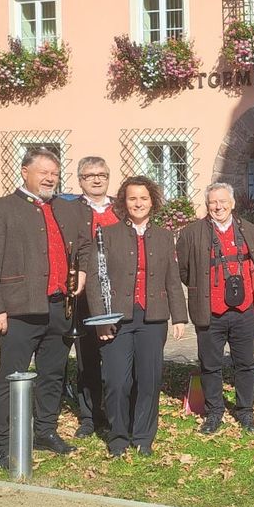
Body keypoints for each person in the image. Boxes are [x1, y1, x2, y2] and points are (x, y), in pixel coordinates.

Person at [0, 147, 90, 469]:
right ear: (25, 171)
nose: (50, 178)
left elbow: (85, 244)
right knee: (10, 377)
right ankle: (0, 442)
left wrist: (82, 270)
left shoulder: (65, 209)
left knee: (53, 374)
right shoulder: (1, 209)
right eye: (44, 172)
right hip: (18, 310)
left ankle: (44, 431)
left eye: (54, 173)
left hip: (59, 306)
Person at [87, 175, 187, 457]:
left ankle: (143, 437)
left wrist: (179, 316)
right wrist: (100, 319)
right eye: (132, 198)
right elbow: (95, 280)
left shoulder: (166, 237)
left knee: (149, 379)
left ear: (152, 201)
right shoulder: (107, 234)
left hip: (153, 319)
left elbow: (172, 279)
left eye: (144, 198)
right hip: (116, 320)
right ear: (123, 202)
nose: (138, 203)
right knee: (117, 381)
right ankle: (118, 436)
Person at [178, 182, 254, 434]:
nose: (218, 207)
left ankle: (245, 411)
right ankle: (214, 412)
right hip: (209, 311)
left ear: (233, 203)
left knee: (246, 363)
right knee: (210, 365)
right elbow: (185, 271)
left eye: (223, 201)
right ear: (207, 205)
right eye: (213, 202)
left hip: (243, 311)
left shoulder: (251, 231)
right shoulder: (191, 233)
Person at [69, 156, 118, 438]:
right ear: (80, 180)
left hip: (115, 292)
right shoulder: (70, 210)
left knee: (115, 356)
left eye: (102, 174)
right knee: (87, 357)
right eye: (90, 175)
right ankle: (89, 416)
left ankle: (115, 412)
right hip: (84, 293)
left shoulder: (121, 208)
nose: (97, 179)